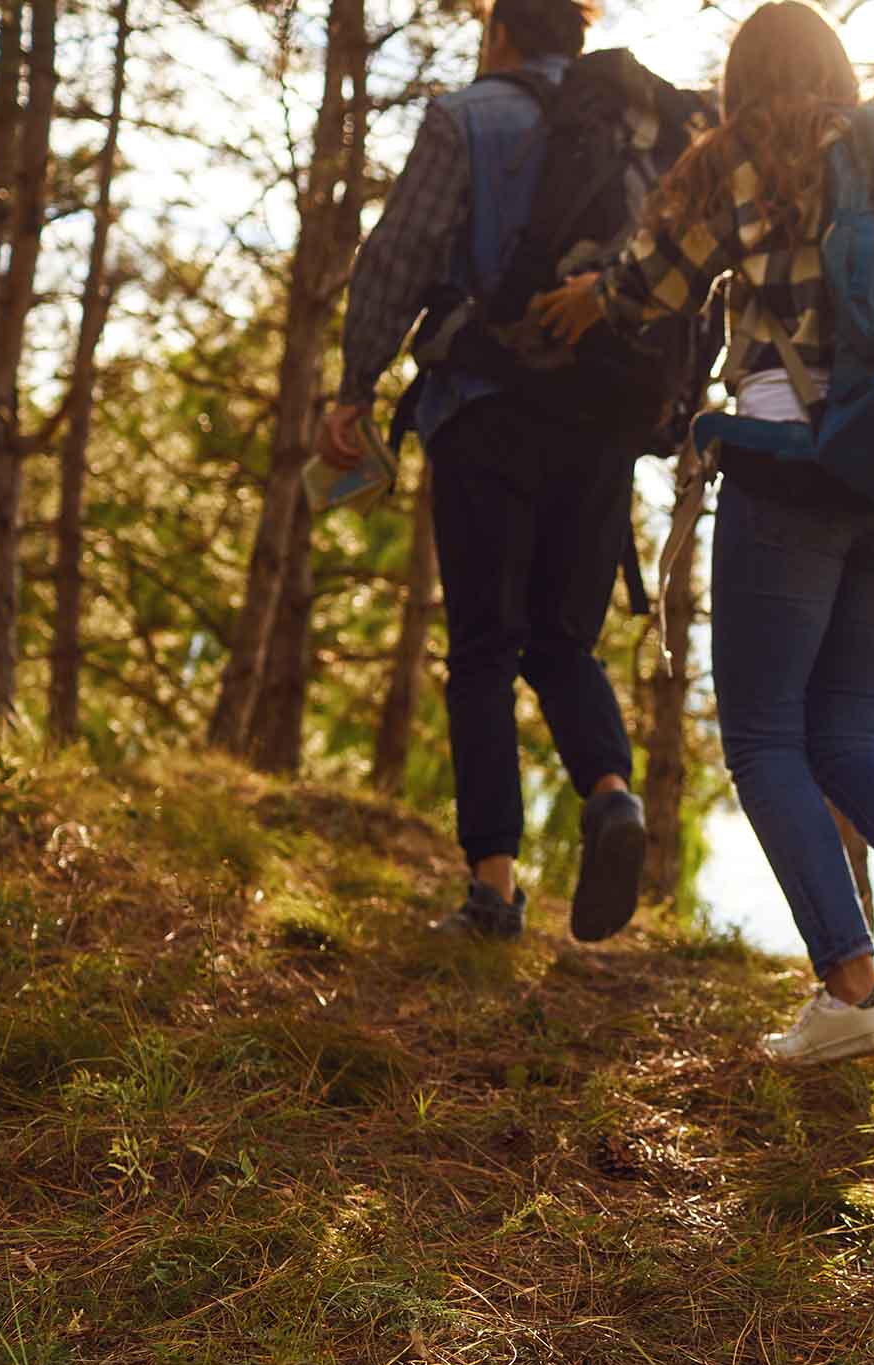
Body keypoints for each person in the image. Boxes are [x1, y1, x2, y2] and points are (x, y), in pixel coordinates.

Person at [530, 2, 874, 1074]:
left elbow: (648, 283)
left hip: (790, 464)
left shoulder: (736, 150)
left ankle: (851, 990)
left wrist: (586, 298)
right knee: (848, 737)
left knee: (762, 739)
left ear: (743, 75)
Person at [321, 0, 648, 945]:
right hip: (598, 421)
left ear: (500, 33)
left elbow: (396, 258)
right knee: (562, 643)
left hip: (485, 408)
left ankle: (494, 889)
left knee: (484, 650)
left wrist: (354, 385)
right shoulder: (633, 133)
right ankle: (612, 792)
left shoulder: (466, 117)